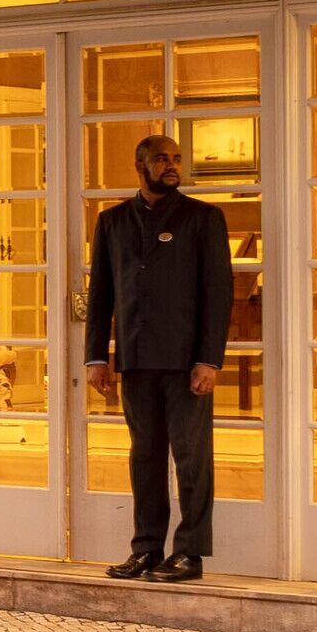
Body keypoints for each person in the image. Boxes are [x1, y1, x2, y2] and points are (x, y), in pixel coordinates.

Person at [83, 131, 233, 582]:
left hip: (187, 362)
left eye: (176, 159)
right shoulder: (111, 222)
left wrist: (209, 359)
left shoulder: (203, 218)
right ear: (140, 165)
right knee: (144, 457)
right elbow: (101, 294)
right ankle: (147, 549)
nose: (172, 166)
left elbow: (218, 294)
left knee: (192, 459)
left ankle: (190, 553)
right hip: (135, 359)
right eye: (162, 159)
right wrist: (96, 357)